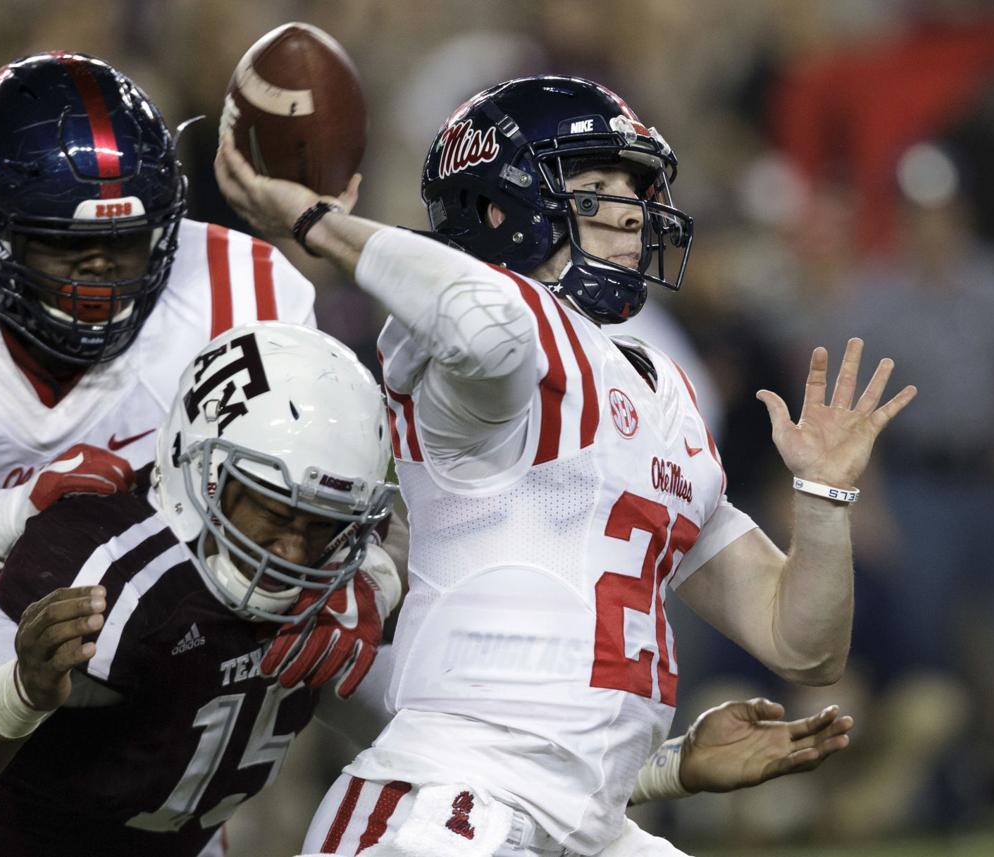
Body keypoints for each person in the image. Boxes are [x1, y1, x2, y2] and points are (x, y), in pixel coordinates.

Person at [214, 74, 916, 857]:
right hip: (450, 807)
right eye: (592, 187)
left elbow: (802, 643)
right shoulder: (483, 361)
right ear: (496, 209)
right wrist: (322, 225)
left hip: (592, 819)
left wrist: (823, 497)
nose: (629, 209)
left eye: (634, 188)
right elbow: (487, 326)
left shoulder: (660, 384)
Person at [0, 51, 319, 797]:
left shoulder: (244, 302)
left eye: (126, 241)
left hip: (124, 656)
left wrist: (364, 563)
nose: (101, 274)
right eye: (62, 240)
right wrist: (7, 525)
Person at [0, 321, 401, 856]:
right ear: (197, 464)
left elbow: (436, 690)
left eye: (321, 523)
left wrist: (381, 575)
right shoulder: (105, 561)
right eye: (272, 512)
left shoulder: (344, 570)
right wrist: (20, 692)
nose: (293, 553)